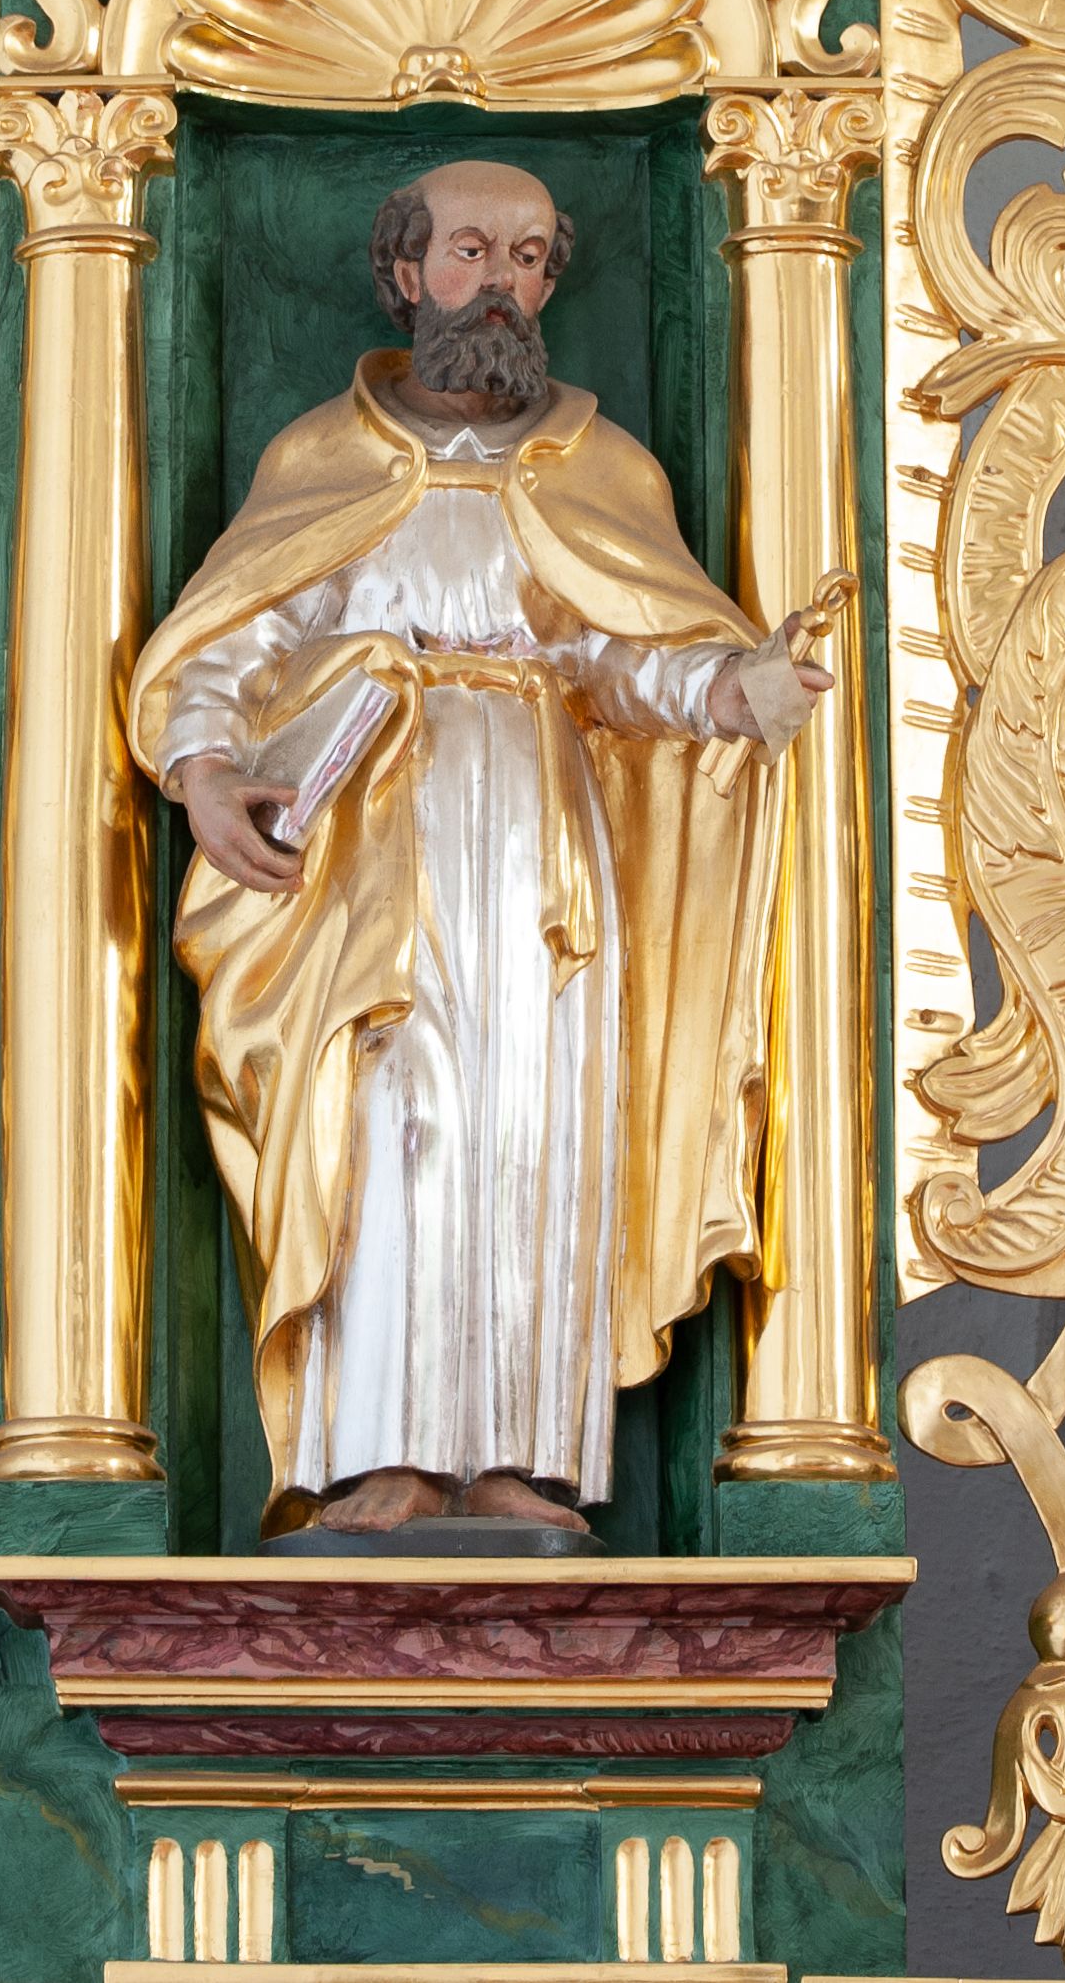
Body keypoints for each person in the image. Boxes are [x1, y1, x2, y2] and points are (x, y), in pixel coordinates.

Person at [127, 157, 830, 1539]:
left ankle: (521, 1454)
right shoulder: (324, 460)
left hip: (540, 845)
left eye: (526, 256)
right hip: (363, 842)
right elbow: (232, 642)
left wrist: (735, 690)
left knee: (534, 1125)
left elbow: (625, 656)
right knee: (388, 1121)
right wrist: (203, 773)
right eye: (468, 250)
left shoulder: (598, 468)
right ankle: (377, 1452)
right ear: (405, 272)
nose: (497, 280)